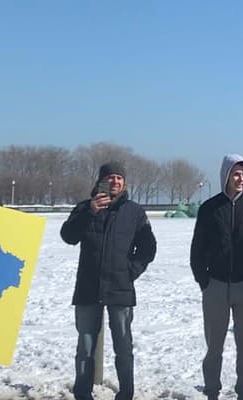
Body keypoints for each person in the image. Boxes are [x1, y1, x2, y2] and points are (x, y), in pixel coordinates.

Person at [60, 162, 157, 400]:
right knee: (85, 346)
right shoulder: (85, 208)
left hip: (120, 288)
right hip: (88, 287)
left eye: (119, 178)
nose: (115, 181)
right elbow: (68, 236)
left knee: (123, 346)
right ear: (100, 181)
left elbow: (148, 247)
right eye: (110, 177)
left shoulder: (134, 212)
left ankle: (126, 393)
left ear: (124, 183)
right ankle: (83, 393)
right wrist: (89, 212)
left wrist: (130, 271)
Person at [190, 154, 243, 400]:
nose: (241, 179)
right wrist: (204, 281)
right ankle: (212, 391)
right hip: (215, 287)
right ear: (226, 175)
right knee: (214, 347)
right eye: (236, 174)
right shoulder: (209, 209)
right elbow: (197, 250)